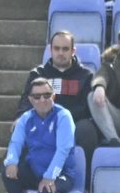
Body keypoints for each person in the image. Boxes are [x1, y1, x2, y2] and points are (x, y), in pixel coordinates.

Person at [0, 76, 76, 193]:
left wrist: (50, 176)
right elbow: (15, 143)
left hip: (61, 174)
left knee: (47, 189)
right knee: (7, 172)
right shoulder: (26, 118)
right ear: (30, 99)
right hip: (35, 171)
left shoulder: (64, 116)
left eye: (46, 95)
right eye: (37, 96)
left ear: (54, 96)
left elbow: (63, 151)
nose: (42, 100)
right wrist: (12, 162)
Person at [22, 29, 100, 160]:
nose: (60, 53)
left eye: (65, 49)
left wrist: (62, 118)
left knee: (87, 130)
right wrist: (20, 116)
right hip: (42, 118)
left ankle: (86, 178)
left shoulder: (86, 76)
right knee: (24, 127)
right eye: (57, 49)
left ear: (72, 51)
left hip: (75, 121)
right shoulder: (38, 74)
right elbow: (26, 100)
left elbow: (86, 108)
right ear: (51, 50)